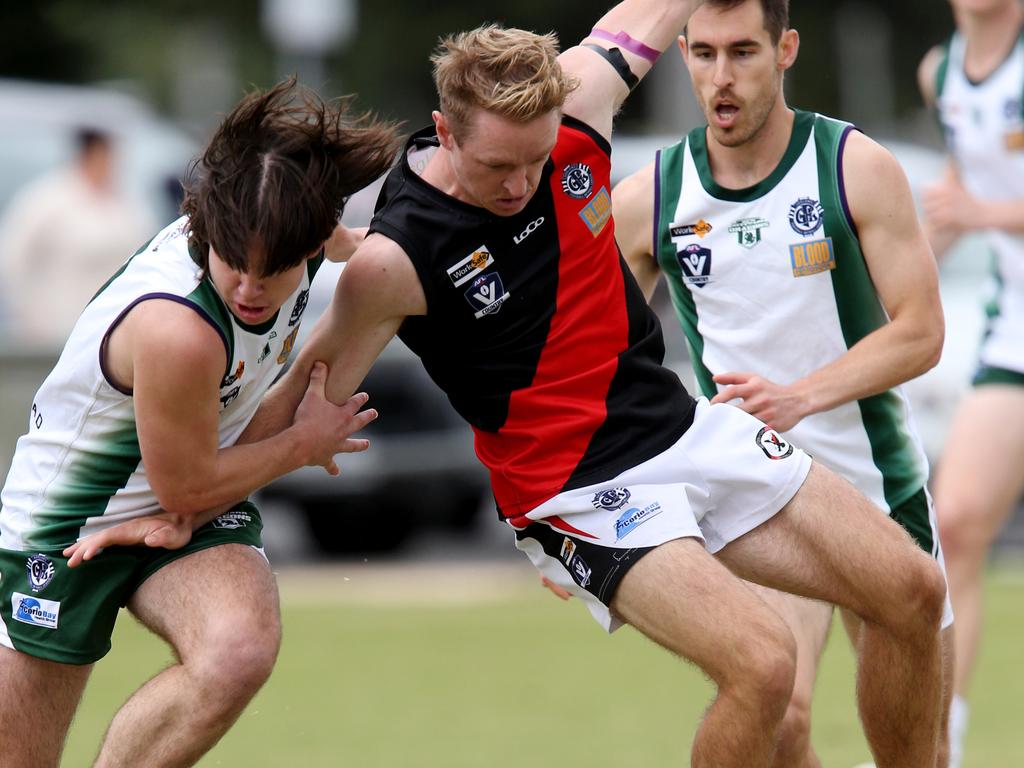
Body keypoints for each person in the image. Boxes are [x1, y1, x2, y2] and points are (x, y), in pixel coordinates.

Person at [70, 3, 948, 765]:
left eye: (534, 161)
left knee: (913, 591)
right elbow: (299, 394)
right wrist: (174, 504)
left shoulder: (580, 105)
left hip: (679, 427)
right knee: (763, 668)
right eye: (498, 168)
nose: (521, 184)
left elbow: (652, 13)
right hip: (576, 492)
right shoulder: (395, 261)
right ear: (446, 133)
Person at [0, 78, 397, 768]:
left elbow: (333, 239)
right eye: (233, 263)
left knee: (236, 652)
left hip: (193, 496)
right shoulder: (178, 327)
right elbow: (186, 486)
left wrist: (368, 242)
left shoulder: (295, 230)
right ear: (209, 228)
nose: (249, 287)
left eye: (271, 271)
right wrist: (303, 442)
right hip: (66, 528)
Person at [605, 2, 955, 765]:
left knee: (918, 751)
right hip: (753, 487)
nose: (720, 78)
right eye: (701, 55)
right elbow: (596, 365)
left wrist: (802, 394)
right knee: (781, 713)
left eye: (743, 53)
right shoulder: (650, 197)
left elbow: (923, 331)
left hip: (872, 480)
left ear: (786, 48)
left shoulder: (852, 166)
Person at [919, 1, 1024, 765]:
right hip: (1014, 331)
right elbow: (954, 197)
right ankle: (942, 743)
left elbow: (976, 200)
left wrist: (982, 210)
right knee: (952, 523)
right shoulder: (941, 71)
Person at [0, 126, 153, 347]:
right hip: (58, 329)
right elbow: (13, 256)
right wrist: (28, 315)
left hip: (112, 328)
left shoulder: (126, 202)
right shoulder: (48, 198)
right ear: (87, 155)